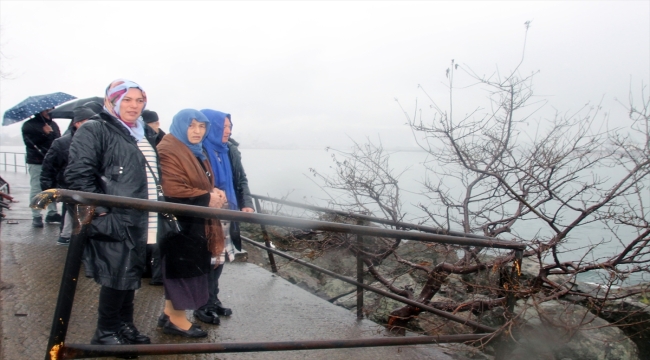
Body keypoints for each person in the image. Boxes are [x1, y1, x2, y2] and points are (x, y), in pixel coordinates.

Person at [65, 79, 160, 345]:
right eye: (127, 100)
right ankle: (105, 332)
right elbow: (78, 174)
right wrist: (103, 213)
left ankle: (125, 326)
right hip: (118, 217)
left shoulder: (141, 132)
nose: (134, 106)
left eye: (139, 101)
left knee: (129, 274)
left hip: (142, 216)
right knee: (116, 276)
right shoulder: (96, 129)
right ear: (111, 101)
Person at [156, 109, 227, 338]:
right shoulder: (169, 149)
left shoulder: (193, 149)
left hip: (192, 221)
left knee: (186, 270)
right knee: (182, 272)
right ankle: (177, 320)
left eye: (202, 126)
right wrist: (208, 198)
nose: (197, 131)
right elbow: (172, 188)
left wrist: (211, 191)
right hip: (180, 222)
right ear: (180, 125)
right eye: (192, 125)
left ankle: (169, 314)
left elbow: (197, 181)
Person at [194, 109, 255, 325]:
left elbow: (241, 179)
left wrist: (246, 204)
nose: (228, 130)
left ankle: (213, 299)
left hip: (228, 209)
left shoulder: (229, 150)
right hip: (207, 211)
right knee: (206, 258)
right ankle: (202, 305)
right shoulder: (198, 149)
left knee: (219, 258)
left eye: (230, 126)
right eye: (225, 126)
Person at [40, 106, 96, 246]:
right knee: (72, 215)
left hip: (91, 188)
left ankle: (78, 241)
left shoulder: (98, 142)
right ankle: (67, 240)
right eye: (88, 121)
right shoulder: (61, 143)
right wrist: (50, 190)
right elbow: (48, 168)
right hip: (69, 187)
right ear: (77, 123)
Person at [22, 108, 62, 227]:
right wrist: (44, 134)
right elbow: (29, 143)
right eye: (47, 110)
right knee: (36, 187)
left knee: (51, 187)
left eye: (51, 109)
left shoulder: (53, 124)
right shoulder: (29, 125)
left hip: (52, 161)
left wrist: (50, 133)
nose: (49, 112)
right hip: (36, 161)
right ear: (40, 111)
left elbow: (57, 139)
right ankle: (36, 215)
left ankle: (52, 213)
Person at [141, 109, 164, 285]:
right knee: (154, 236)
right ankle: (154, 274)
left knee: (153, 235)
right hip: (152, 195)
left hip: (152, 195)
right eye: (155, 123)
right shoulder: (151, 140)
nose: (157, 126)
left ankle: (151, 272)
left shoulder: (158, 140)